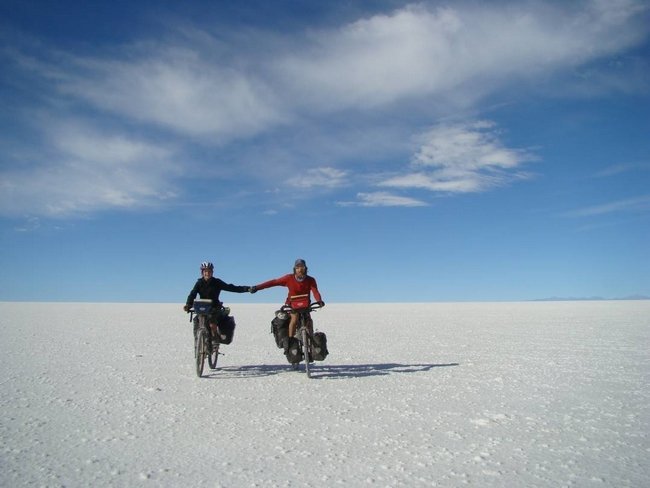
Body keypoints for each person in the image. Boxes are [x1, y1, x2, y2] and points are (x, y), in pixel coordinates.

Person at [251, 258, 324, 351]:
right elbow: (273, 282)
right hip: (292, 304)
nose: (300, 269)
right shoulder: (289, 278)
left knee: (309, 321)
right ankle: (290, 343)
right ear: (294, 269)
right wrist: (257, 287)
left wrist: (319, 300)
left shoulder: (311, 280)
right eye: (297, 267)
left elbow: (315, 291)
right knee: (294, 318)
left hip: (305, 305)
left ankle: (310, 345)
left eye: (302, 267)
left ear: (306, 268)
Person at [184, 261, 252, 347]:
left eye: (209, 271)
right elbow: (192, 293)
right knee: (196, 322)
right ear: (202, 272)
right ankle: (198, 345)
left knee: (212, 323)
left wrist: (247, 289)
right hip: (203, 308)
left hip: (214, 307)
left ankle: (214, 339)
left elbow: (231, 288)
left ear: (212, 272)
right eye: (205, 271)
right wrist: (188, 305)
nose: (207, 273)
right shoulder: (199, 283)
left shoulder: (217, 282)